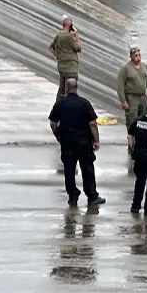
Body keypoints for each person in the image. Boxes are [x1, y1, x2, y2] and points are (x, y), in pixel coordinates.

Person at [47, 78, 105, 206]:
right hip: (84, 142)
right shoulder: (84, 103)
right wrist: (96, 140)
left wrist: (58, 136)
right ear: (76, 87)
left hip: (67, 141)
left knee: (69, 169)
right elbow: (92, 123)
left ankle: (72, 195)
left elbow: (53, 123)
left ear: (67, 88)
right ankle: (92, 196)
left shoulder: (60, 104)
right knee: (87, 169)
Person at [116, 46, 147, 130]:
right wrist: (123, 101)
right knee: (132, 120)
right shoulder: (125, 69)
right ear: (131, 56)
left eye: (139, 55)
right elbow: (120, 86)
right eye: (136, 55)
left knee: (143, 120)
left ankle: (141, 136)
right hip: (131, 98)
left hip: (143, 97)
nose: (138, 57)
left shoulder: (145, 67)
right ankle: (131, 137)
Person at [49, 16, 82, 102]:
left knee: (61, 89)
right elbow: (78, 48)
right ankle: (68, 107)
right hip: (71, 67)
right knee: (70, 91)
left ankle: (58, 106)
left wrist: (58, 56)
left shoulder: (58, 35)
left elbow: (51, 47)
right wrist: (77, 36)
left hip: (62, 67)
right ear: (70, 26)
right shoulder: (69, 37)